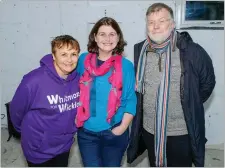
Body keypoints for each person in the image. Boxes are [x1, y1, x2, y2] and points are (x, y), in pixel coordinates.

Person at [127, 3, 216, 167]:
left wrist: (189, 102)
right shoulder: (140, 50)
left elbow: (207, 83)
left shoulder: (192, 51)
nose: (155, 26)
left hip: (181, 132)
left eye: (161, 21)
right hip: (149, 129)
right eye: (151, 22)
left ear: (172, 24)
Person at [10, 35, 80, 167]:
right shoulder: (33, 80)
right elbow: (16, 112)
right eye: (63, 54)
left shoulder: (78, 80)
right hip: (39, 148)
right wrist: (27, 133)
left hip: (64, 145)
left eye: (74, 54)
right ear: (53, 56)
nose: (69, 59)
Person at [76, 17, 137, 167]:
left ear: (118, 37)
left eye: (112, 34)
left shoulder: (126, 66)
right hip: (86, 132)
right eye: (102, 34)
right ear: (95, 37)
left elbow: (130, 99)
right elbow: (71, 87)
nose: (107, 38)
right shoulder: (82, 60)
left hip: (114, 131)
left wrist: (121, 128)